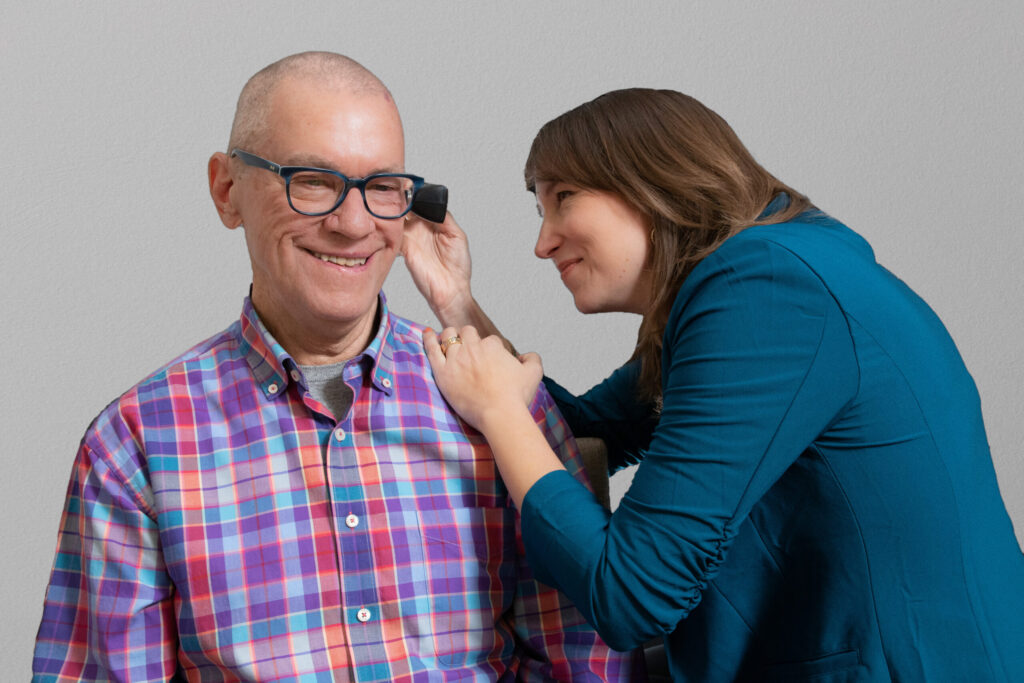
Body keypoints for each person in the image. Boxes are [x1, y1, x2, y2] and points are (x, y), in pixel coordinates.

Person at [31, 52, 639, 681]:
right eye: (314, 180)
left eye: (381, 188)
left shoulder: (499, 407)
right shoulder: (135, 442)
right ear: (226, 189)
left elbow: (584, 660)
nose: (352, 225)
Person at [402, 88, 1024, 681]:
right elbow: (579, 435)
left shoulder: (768, 289)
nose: (543, 243)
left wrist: (499, 412)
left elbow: (631, 594)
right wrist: (457, 302)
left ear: (652, 181)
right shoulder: (766, 275)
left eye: (563, 197)